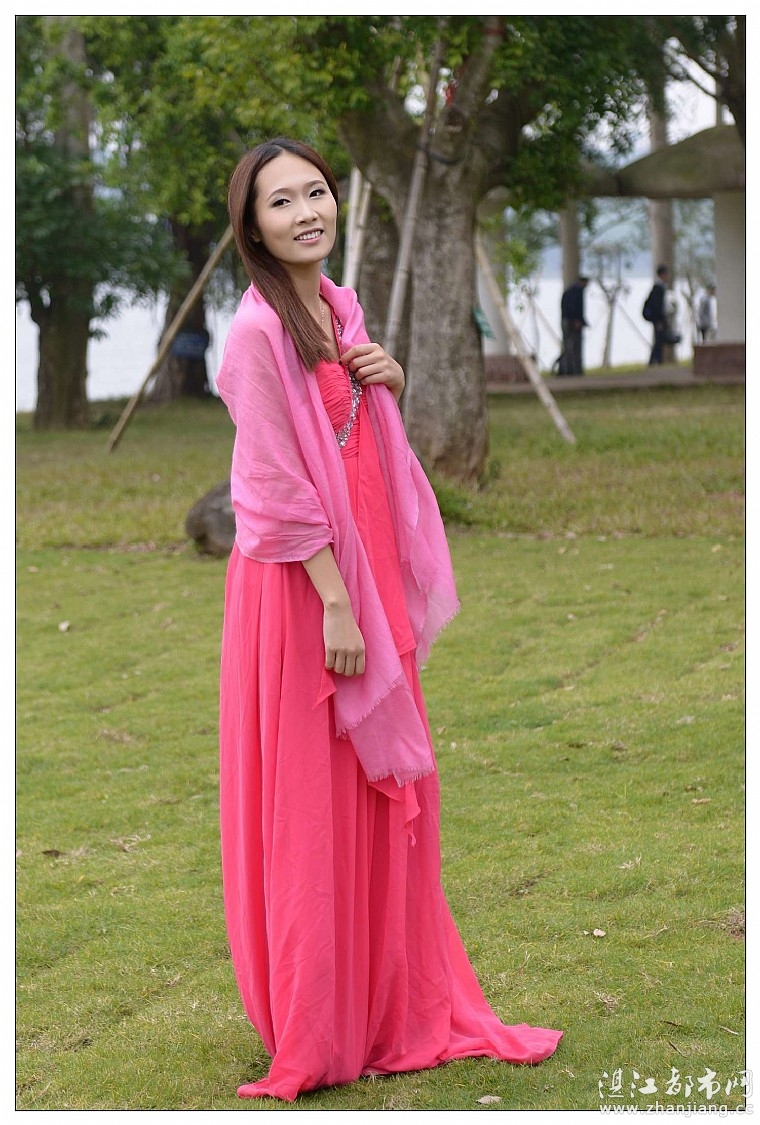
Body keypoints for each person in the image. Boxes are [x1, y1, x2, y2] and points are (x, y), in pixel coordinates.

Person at [214, 137, 563, 1102]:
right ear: (253, 228)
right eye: (281, 202)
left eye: (316, 192)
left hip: (362, 569)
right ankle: (322, 1016)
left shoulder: (337, 307)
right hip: (307, 588)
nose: (306, 212)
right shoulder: (256, 335)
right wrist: (335, 602)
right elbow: (274, 489)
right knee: (316, 797)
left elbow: (352, 433)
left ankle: (386, 1002)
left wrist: (388, 380)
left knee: (379, 798)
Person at [558, 275, 589, 375]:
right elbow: (576, 308)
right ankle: (570, 370)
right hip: (571, 322)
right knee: (572, 347)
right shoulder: (577, 292)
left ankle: (567, 370)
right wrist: (577, 320)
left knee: (568, 346)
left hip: (565, 321)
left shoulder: (568, 291)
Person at [644, 264, 671, 365]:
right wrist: (659, 320)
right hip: (657, 319)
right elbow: (657, 306)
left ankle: (657, 360)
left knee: (659, 339)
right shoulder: (658, 288)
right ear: (662, 275)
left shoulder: (661, 287)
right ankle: (655, 360)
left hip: (659, 318)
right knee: (659, 339)